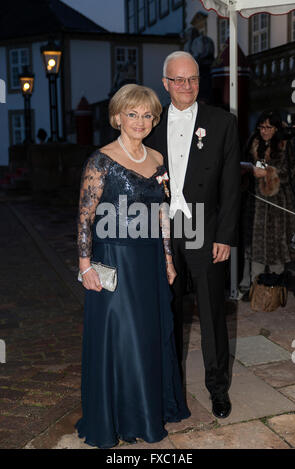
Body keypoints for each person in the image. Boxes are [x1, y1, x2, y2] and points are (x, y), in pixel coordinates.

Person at [75, 84, 190, 449]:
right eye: (132, 114)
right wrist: (84, 266)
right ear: (117, 117)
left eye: (146, 115)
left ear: (153, 119)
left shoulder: (158, 159)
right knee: (121, 338)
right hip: (114, 260)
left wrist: (168, 259)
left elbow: (162, 215)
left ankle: (148, 410)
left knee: (151, 335)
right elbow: (84, 217)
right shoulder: (100, 160)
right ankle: (121, 417)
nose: (139, 121)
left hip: (150, 260)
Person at [146, 51, 241, 419]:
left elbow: (231, 186)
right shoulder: (148, 125)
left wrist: (225, 235)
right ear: (166, 83)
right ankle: (170, 386)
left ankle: (218, 389)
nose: (187, 86)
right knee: (166, 311)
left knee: (212, 312)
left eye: (193, 79)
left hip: (206, 228)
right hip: (164, 231)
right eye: (179, 80)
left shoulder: (223, 122)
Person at [241, 110, 295, 284]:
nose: (264, 131)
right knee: (255, 246)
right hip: (256, 202)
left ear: (276, 128)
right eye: (261, 127)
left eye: (268, 127)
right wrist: (249, 170)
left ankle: (276, 287)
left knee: (276, 247)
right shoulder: (253, 141)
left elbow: (289, 173)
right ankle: (254, 286)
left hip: (277, 204)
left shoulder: (284, 144)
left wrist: (268, 173)